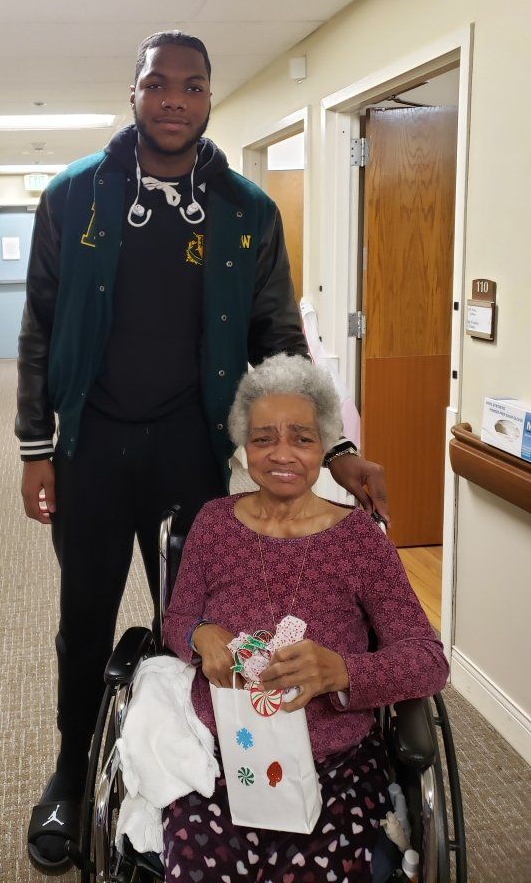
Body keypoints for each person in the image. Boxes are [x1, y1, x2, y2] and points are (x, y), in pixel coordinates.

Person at [16, 31, 390, 872]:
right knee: (83, 628)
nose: (174, 99)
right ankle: (73, 772)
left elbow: (281, 345)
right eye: (158, 83)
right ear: (135, 92)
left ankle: (193, 773)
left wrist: (335, 451)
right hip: (92, 447)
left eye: (192, 85)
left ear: (211, 97)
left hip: (192, 449)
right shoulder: (73, 196)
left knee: (203, 628)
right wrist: (34, 450)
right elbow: (38, 327)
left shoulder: (249, 212)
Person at [162, 354, 448, 883]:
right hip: (222, 754)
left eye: (301, 437)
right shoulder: (213, 524)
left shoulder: (358, 539)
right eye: (264, 438)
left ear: (324, 447)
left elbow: (428, 660)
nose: (282, 454)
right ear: (244, 447)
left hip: (333, 761)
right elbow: (176, 617)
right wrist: (199, 634)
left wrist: (342, 672)